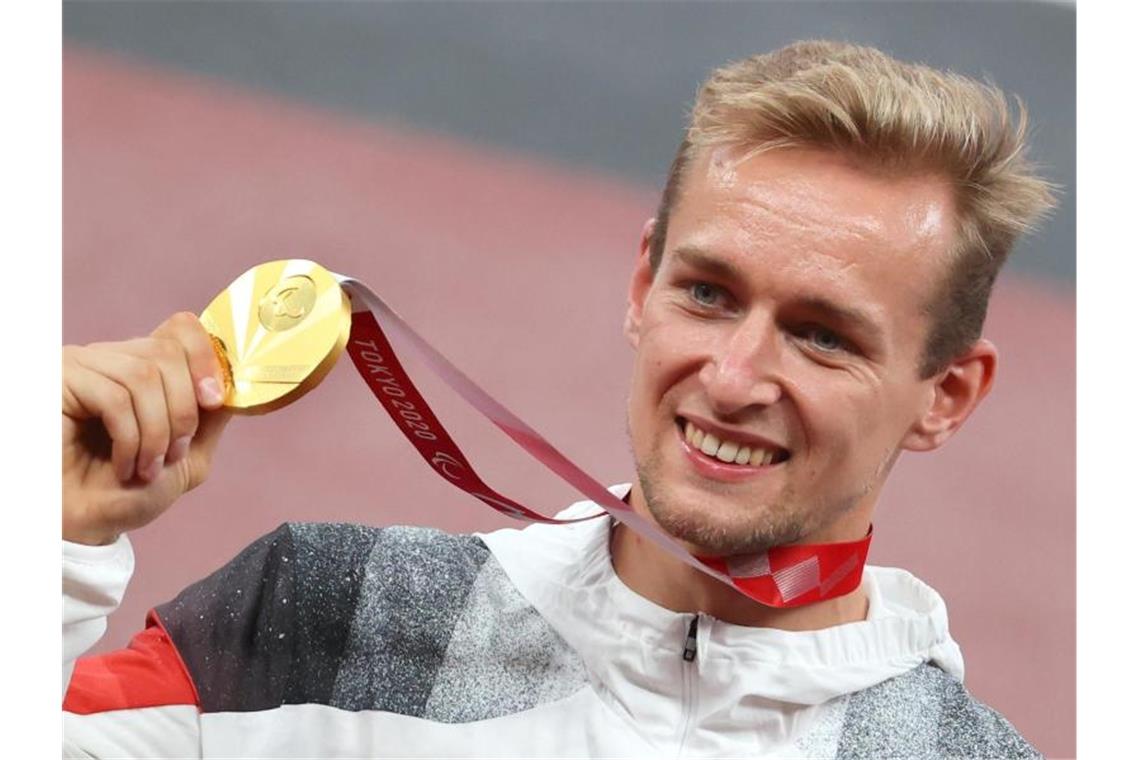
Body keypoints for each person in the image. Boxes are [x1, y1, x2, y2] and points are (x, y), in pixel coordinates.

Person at [62, 40, 1055, 758]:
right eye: (707, 294)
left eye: (822, 335)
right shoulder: (320, 618)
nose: (735, 376)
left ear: (947, 394)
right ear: (642, 287)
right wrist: (54, 546)